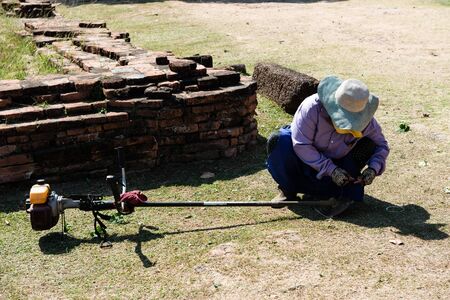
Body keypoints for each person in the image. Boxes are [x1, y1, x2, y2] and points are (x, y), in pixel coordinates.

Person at [266, 75, 390, 217]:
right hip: (304, 160)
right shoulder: (311, 108)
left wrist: (373, 169)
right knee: (280, 140)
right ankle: (288, 189)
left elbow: (382, 145)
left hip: (339, 164)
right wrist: (331, 170)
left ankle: (338, 195)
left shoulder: (367, 121)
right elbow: (302, 145)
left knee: (369, 145)